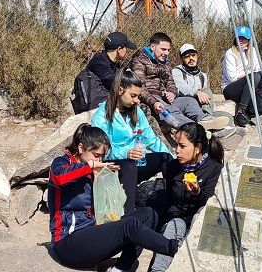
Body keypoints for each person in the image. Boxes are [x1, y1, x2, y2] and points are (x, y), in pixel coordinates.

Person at [47, 124, 180, 272]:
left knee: (148, 214)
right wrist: (90, 166)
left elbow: (105, 210)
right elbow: (59, 177)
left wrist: (114, 192)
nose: (100, 160)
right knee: (130, 226)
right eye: (96, 155)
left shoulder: (95, 170)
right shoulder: (61, 164)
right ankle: (172, 249)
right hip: (67, 244)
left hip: (93, 235)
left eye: (102, 156)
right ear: (80, 148)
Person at [140, 122, 224, 272]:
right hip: (176, 217)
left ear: (198, 148)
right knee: (174, 227)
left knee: (196, 217)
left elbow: (209, 206)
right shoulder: (173, 167)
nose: (177, 151)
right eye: (176, 145)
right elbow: (170, 199)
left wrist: (197, 193)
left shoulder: (213, 169)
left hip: (199, 222)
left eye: (182, 146)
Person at [91, 69, 173, 205]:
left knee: (165, 158)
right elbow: (101, 151)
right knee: (129, 167)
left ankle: (174, 200)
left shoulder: (136, 111)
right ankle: (129, 215)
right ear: (120, 90)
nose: (137, 100)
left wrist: (175, 161)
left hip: (136, 161)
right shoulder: (102, 116)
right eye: (133, 96)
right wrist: (126, 153)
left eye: (138, 96)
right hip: (115, 166)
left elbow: (151, 139)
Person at [221, 25, 262, 128]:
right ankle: (241, 110)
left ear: (249, 40)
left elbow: (260, 67)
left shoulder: (251, 50)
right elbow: (232, 77)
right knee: (255, 77)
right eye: (239, 38)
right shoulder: (230, 53)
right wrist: (250, 74)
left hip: (250, 81)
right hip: (231, 88)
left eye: (244, 38)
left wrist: (254, 73)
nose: (242, 40)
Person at [129, 32, 189, 129]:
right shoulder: (140, 60)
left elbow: (171, 82)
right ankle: (191, 129)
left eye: (168, 50)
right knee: (170, 110)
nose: (166, 53)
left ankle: (205, 120)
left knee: (188, 101)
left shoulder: (165, 62)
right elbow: (139, 87)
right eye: (163, 49)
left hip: (163, 97)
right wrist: (154, 102)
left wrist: (172, 93)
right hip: (150, 99)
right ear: (153, 47)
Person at [171, 44, 230, 131]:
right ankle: (208, 122)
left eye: (193, 55)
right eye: (187, 56)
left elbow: (207, 97)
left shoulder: (203, 76)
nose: (191, 58)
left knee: (228, 117)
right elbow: (181, 87)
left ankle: (209, 119)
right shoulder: (176, 71)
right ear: (182, 59)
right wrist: (197, 92)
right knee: (202, 93)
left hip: (200, 107)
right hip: (184, 105)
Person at [71, 31, 133, 114]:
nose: (127, 51)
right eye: (126, 48)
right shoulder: (98, 62)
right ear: (119, 49)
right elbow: (115, 82)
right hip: (95, 109)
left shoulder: (114, 63)